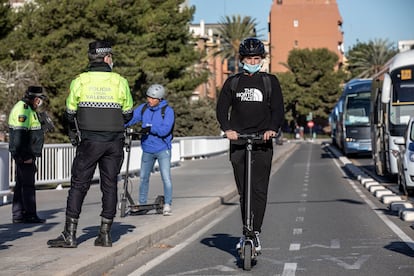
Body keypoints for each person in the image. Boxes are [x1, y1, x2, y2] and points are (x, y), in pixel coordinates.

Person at [47, 40, 133, 248]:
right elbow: (128, 113)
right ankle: (105, 234)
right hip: (114, 141)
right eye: (111, 57)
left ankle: (70, 234)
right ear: (106, 58)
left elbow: (69, 112)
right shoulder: (120, 81)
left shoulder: (80, 81)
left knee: (78, 185)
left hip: (89, 141)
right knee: (110, 184)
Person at [216, 37, 284, 253]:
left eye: (256, 58)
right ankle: (246, 230)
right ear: (241, 60)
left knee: (259, 189)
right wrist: (227, 129)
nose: (252, 62)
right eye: (248, 58)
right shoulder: (233, 82)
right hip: (238, 141)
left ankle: (255, 232)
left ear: (261, 59)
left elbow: (278, 110)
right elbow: (221, 109)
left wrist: (271, 129)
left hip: (262, 141)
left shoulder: (269, 81)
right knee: (244, 190)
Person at [125, 84, 175, 216]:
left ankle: (167, 204)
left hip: (163, 149)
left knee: (166, 177)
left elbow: (165, 130)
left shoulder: (168, 111)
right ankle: (142, 204)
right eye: (148, 97)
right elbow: (131, 119)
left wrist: (150, 128)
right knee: (143, 178)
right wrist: (119, 124)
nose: (150, 100)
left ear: (160, 99)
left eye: (153, 98)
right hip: (147, 148)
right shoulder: (144, 108)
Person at [8, 86, 47, 224]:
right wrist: (25, 156)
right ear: (35, 98)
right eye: (40, 99)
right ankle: (30, 214)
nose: (40, 102)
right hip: (25, 154)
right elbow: (19, 135)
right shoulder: (23, 109)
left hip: (26, 152)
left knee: (21, 184)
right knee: (28, 185)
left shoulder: (29, 109)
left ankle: (18, 214)